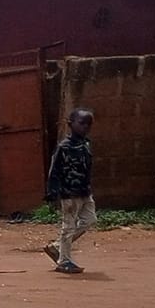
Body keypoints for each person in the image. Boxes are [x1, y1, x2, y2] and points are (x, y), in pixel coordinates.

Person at [45, 107, 96, 275]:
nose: (85, 127)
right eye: (81, 123)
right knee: (68, 227)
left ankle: (57, 247)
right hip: (69, 192)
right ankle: (64, 261)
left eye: (88, 124)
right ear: (70, 124)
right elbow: (54, 170)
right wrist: (53, 192)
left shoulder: (86, 144)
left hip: (84, 191)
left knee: (90, 220)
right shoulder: (64, 147)